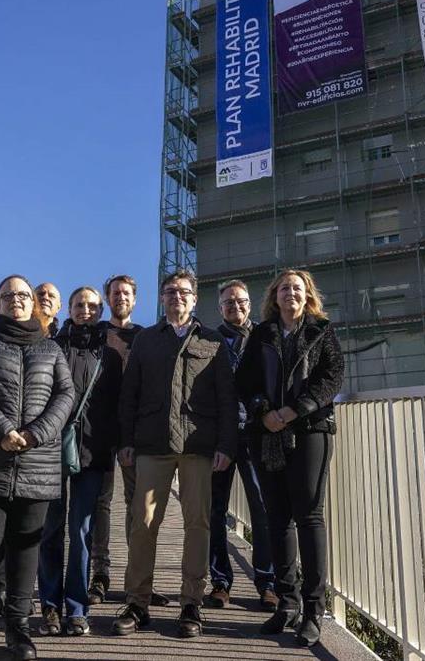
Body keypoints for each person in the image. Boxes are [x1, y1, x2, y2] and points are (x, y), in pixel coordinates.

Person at [0, 275, 75, 661]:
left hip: (37, 466)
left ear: (34, 305)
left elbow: (66, 394)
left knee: (25, 553)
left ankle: (18, 633)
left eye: (23, 295)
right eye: (9, 296)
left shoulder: (51, 348)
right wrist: (2, 430)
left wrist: (36, 433)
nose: (17, 300)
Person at [111, 269, 237, 639]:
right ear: (162, 298)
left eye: (183, 292)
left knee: (198, 523)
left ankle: (191, 603)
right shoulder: (148, 340)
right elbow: (128, 395)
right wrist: (125, 441)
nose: (176, 297)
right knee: (142, 522)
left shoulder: (212, 341)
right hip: (152, 442)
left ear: (194, 299)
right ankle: (137, 602)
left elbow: (227, 400)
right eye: (169, 292)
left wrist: (226, 446)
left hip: (199, 445)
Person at [235, 269, 344, 647]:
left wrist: (296, 409)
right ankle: (287, 603)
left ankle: (314, 610)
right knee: (278, 518)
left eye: (297, 288)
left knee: (309, 516)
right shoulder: (262, 334)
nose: (291, 294)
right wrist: (264, 410)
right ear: (274, 296)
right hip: (266, 433)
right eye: (284, 288)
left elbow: (332, 376)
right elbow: (244, 382)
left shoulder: (321, 330)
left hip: (309, 429)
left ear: (307, 294)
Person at [86, 275, 173, 607]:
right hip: (97, 430)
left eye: (126, 293)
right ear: (107, 299)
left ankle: (140, 581)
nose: (120, 298)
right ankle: (100, 575)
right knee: (100, 504)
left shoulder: (146, 337)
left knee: (140, 508)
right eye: (115, 293)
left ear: (135, 299)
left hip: (135, 433)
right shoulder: (96, 334)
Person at [35, 286, 117, 636]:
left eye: (92, 305)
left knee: (81, 531)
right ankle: (50, 607)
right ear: (69, 308)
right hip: (53, 448)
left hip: (93, 451)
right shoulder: (53, 346)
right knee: (51, 530)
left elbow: (117, 402)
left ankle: (77, 608)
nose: (86, 310)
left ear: (101, 310)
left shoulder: (110, 352)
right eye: (79, 304)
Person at [203, 279, 277, 611]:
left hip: (257, 433)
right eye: (229, 303)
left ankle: (267, 581)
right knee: (215, 512)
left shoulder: (265, 336)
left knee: (263, 508)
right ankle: (220, 582)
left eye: (241, 301)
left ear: (251, 303)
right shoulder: (209, 339)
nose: (236, 306)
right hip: (220, 435)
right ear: (220, 308)